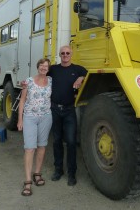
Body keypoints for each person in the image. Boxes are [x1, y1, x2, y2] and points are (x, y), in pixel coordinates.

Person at [49, 45, 87, 186]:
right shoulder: (53, 69)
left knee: (71, 142)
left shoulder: (78, 69)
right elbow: (41, 76)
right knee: (56, 141)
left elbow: (87, 74)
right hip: (54, 110)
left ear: (71, 54)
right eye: (62, 53)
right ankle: (58, 170)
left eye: (67, 53)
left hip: (69, 110)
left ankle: (72, 173)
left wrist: (81, 78)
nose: (65, 55)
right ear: (60, 55)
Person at [17, 58, 52, 197]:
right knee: (30, 148)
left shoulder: (51, 81)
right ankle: (27, 181)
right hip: (30, 117)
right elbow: (22, 100)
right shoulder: (29, 82)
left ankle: (37, 173)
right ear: (38, 67)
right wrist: (20, 119)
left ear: (49, 69)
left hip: (46, 117)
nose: (43, 68)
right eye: (41, 66)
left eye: (46, 66)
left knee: (42, 146)